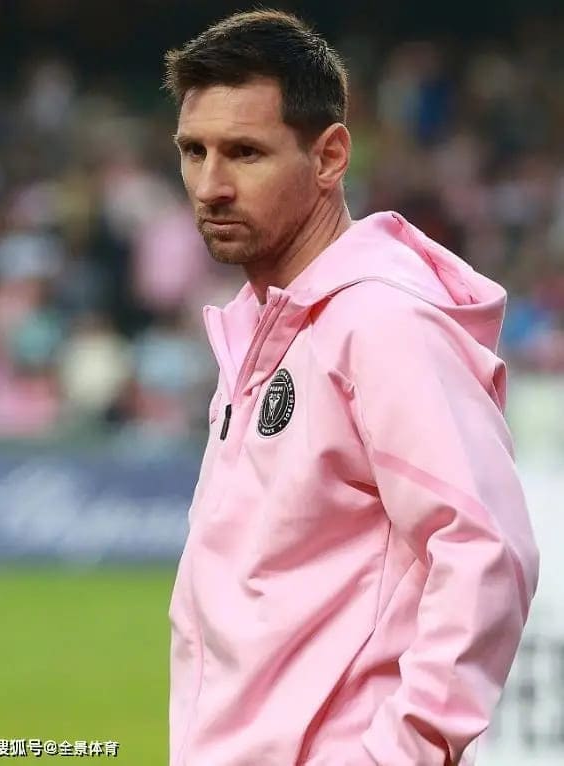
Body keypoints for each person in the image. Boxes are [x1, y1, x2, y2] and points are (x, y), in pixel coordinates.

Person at [163, 9, 540, 765]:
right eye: (193, 151)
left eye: (245, 152)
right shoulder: (263, 327)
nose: (210, 186)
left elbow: (485, 547)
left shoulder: (381, 324)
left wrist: (402, 752)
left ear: (330, 156)